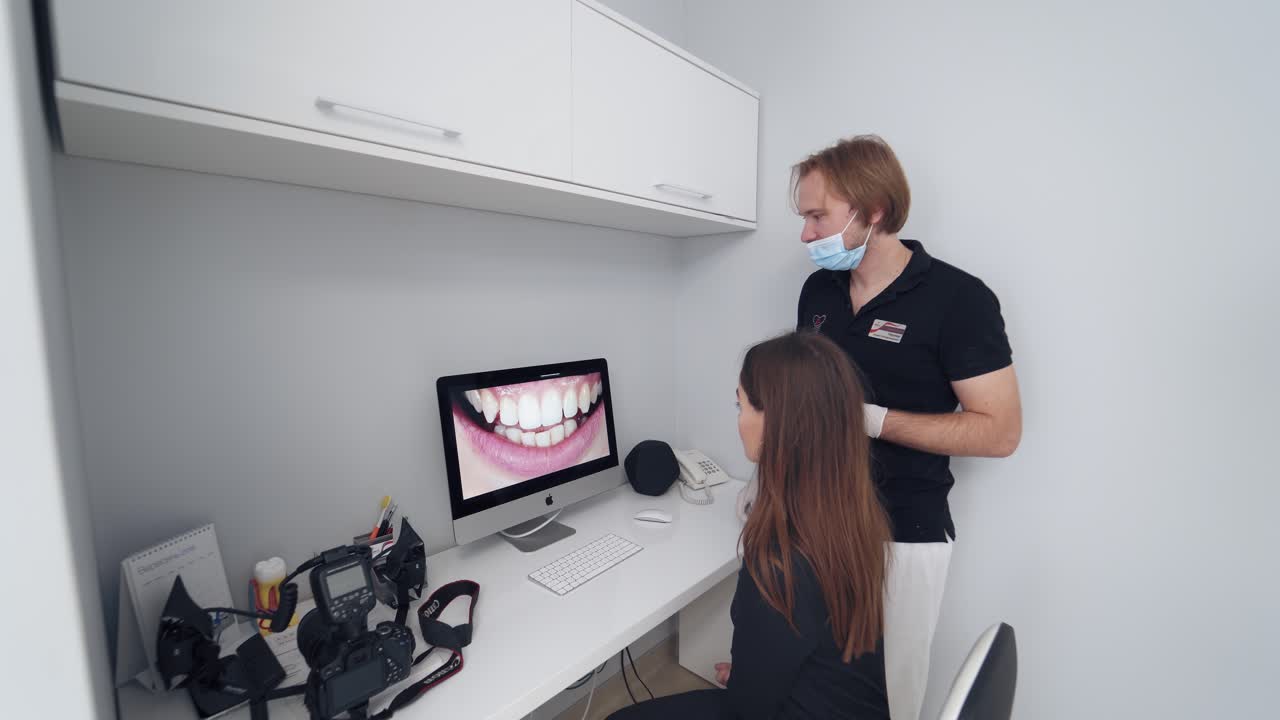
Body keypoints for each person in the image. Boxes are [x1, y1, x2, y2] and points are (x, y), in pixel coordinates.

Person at [793, 135, 1022, 719]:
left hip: (903, 532)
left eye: (817, 215)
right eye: (804, 217)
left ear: (873, 211)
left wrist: (871, 421)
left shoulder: (959, 299)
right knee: (811, 680)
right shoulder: (818, 290)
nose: (805, 234)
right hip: (815, 520)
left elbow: (999, 432)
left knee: (888, 697)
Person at [608, 332, 892, 720]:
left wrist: (748, 687)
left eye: (741, 406)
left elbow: (745, 711)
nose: (739, 421)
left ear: (778, 422)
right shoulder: (852, 520)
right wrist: (752, 675)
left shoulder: (779, 564)